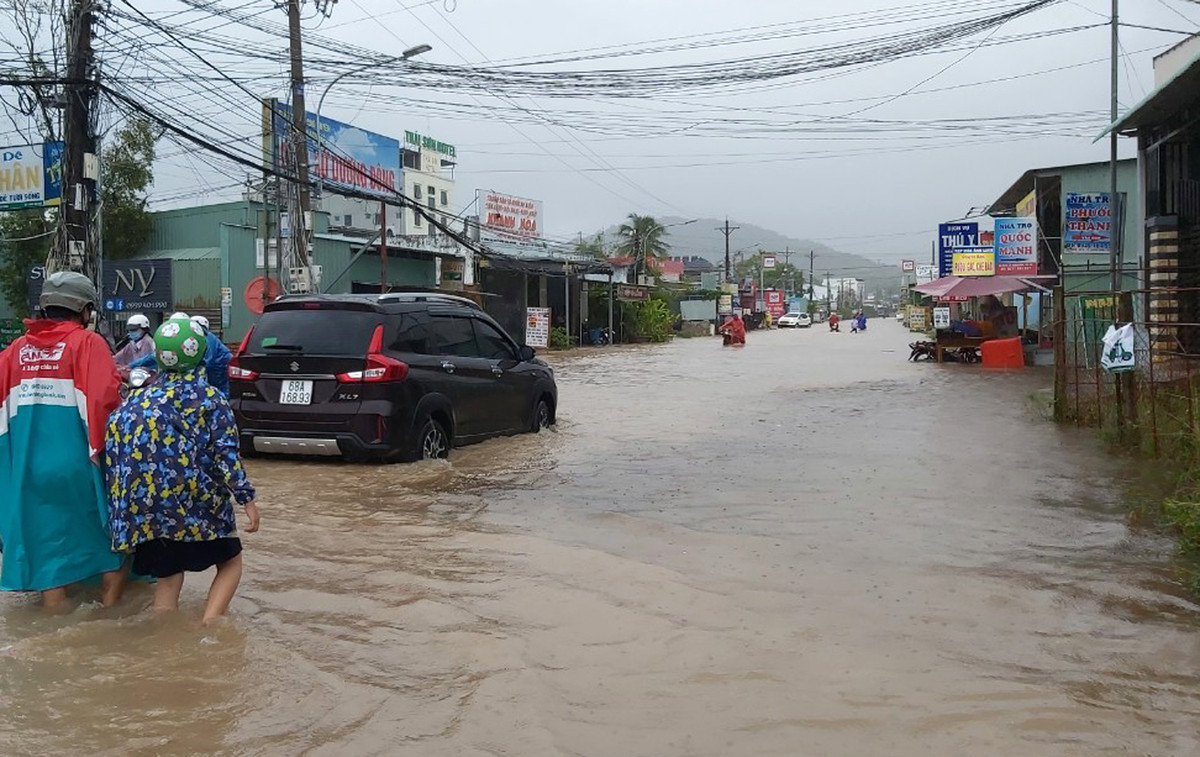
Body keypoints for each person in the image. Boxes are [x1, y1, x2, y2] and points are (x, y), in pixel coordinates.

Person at [106, 316, 260, 622]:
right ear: (201, 354)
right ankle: (210, 625)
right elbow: (225, 454)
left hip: (147, 511)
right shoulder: (210, 398)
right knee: (231, 561)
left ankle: (166, 639)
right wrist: (247, 501)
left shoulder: (138, 398)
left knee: (168, 576)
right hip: (196, 506)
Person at [0, 272, 126, 607]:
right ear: (86, 310)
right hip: (79, 465)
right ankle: (109, 615)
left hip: (28, 470)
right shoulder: (88, 343)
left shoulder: (14, 352)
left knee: (48, 554)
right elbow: (104, 401)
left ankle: (54, 617)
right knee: (108, 543)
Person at [191, 315, 232, 398]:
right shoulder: (203, 337)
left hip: (220, 369)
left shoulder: (208, 338)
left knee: (220, 394)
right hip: (217, 369)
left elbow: (208, 361)